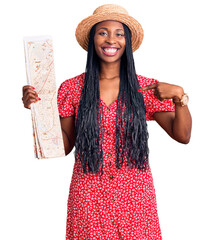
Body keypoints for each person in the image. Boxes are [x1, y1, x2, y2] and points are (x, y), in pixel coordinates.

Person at [22, 4, 192, 240]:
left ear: (127, 42)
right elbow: (63, 146)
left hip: (134, 199)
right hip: (89, 196)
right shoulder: (72, 89)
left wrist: (180, 98)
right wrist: (39, 110)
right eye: (103, 32)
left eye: (119, 33)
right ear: (92, 39)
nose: (111, 39)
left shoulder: (144, 88)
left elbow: (182, 136)